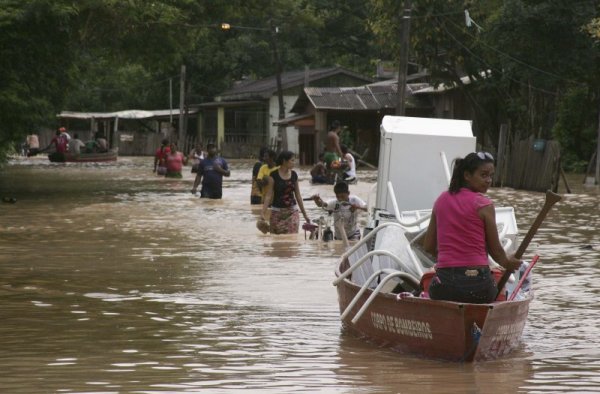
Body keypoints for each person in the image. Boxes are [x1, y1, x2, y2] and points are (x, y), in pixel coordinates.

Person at [422, 152, 522, 304]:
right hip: (479, 286)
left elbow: (428, 246)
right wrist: (510, 263)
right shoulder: (484, 205)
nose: (488, 180)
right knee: (496, 288)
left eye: (491, 175)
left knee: (432, 288)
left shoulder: (441, 200)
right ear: (467, 175)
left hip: (445, 286)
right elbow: (496, 252)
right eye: (483, 175)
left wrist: (450, 261)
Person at [260, 150, 310, 234]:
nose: (294, 162)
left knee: (291, 240)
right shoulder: (273, 175)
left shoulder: (294, 175)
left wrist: (305, 215)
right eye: (292, 160)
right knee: (276, 242)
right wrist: (263, 213)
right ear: (284, 161)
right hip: (276, 212)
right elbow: (269, 195)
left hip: (292, 212)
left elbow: (298, 196)